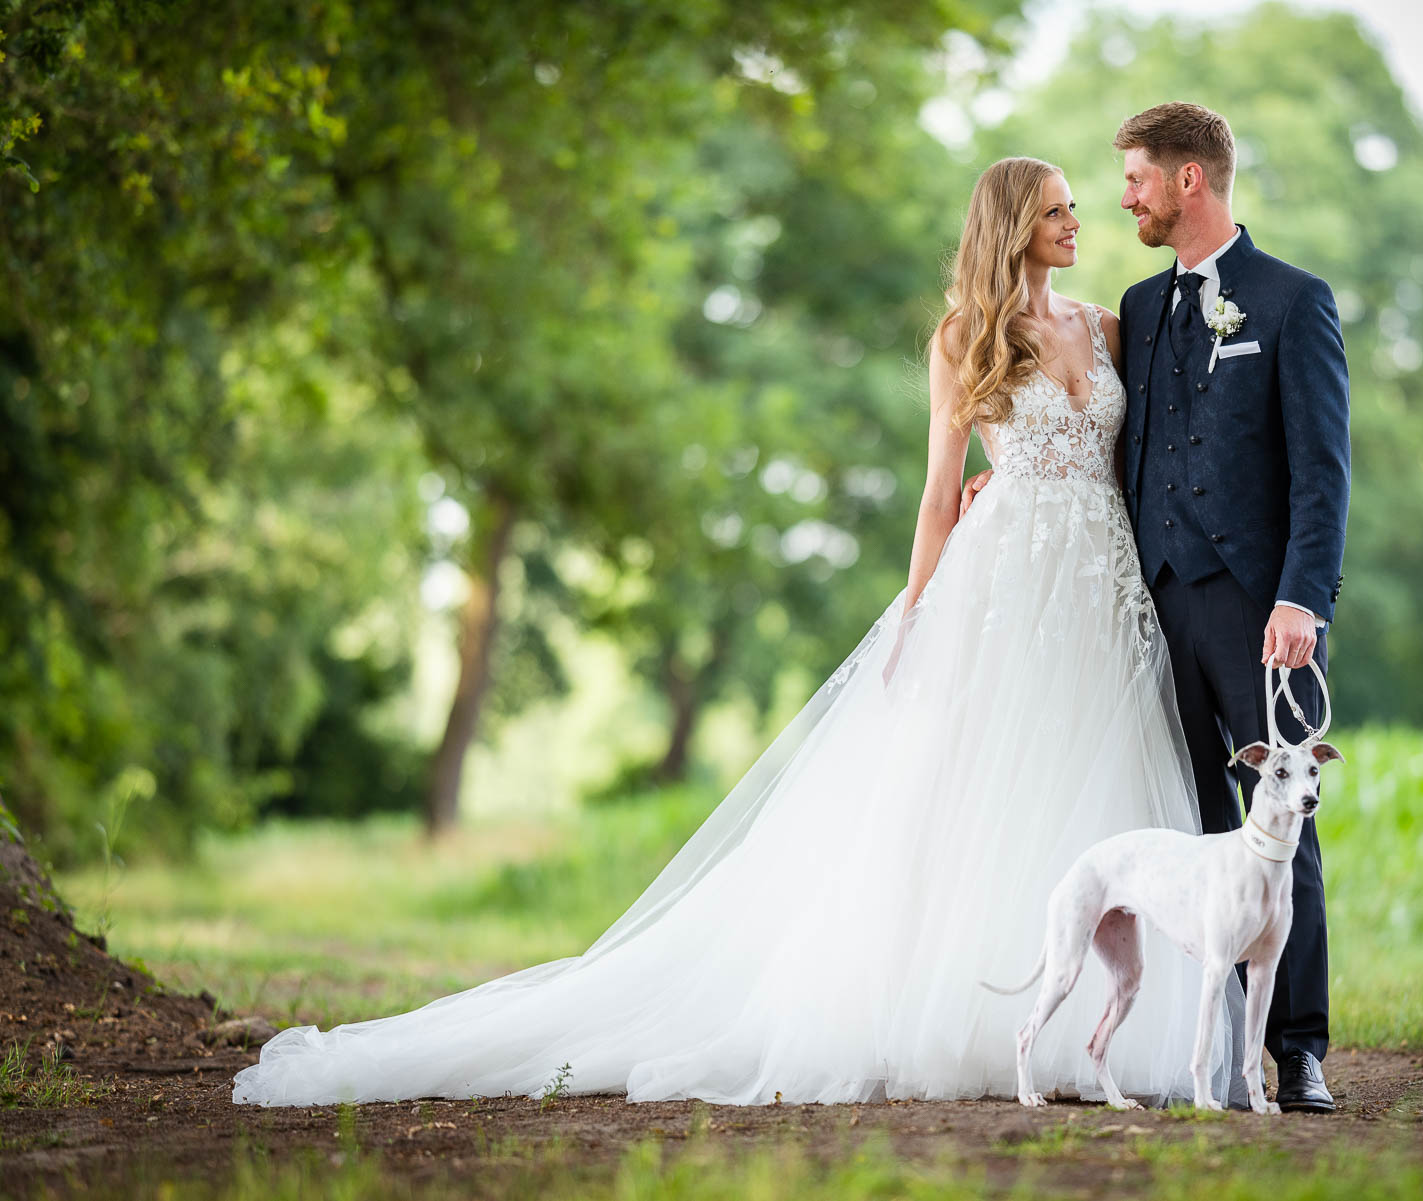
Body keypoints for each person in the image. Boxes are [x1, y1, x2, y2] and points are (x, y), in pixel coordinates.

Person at [233, 156, 1248, 1110]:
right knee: (987, 783)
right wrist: (916, 610)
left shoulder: (1109, 327)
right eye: (1063, 207)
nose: (1082, 221)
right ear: (1018, 225)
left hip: (1103, 587)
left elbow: (1139, 462)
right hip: (1006, 581)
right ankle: (990, 1026)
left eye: (1081, 204)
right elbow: (940, 495)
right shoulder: (963, 338)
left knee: (1089, 776)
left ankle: (1105, 1036)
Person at [967, 104, 1351, 1113]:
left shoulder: (1292, 302)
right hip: (1149, 608)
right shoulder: (1132, 310)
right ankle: (1209, 1057)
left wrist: (1303, 597)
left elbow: (1323, 473)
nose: (1121, 198)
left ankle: (1297, 1049)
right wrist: (998, 486)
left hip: (1264, 616)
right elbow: (1084, 435)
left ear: (1191, 180)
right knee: (1188, 831)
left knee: (1281, 827)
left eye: (1135, 178)